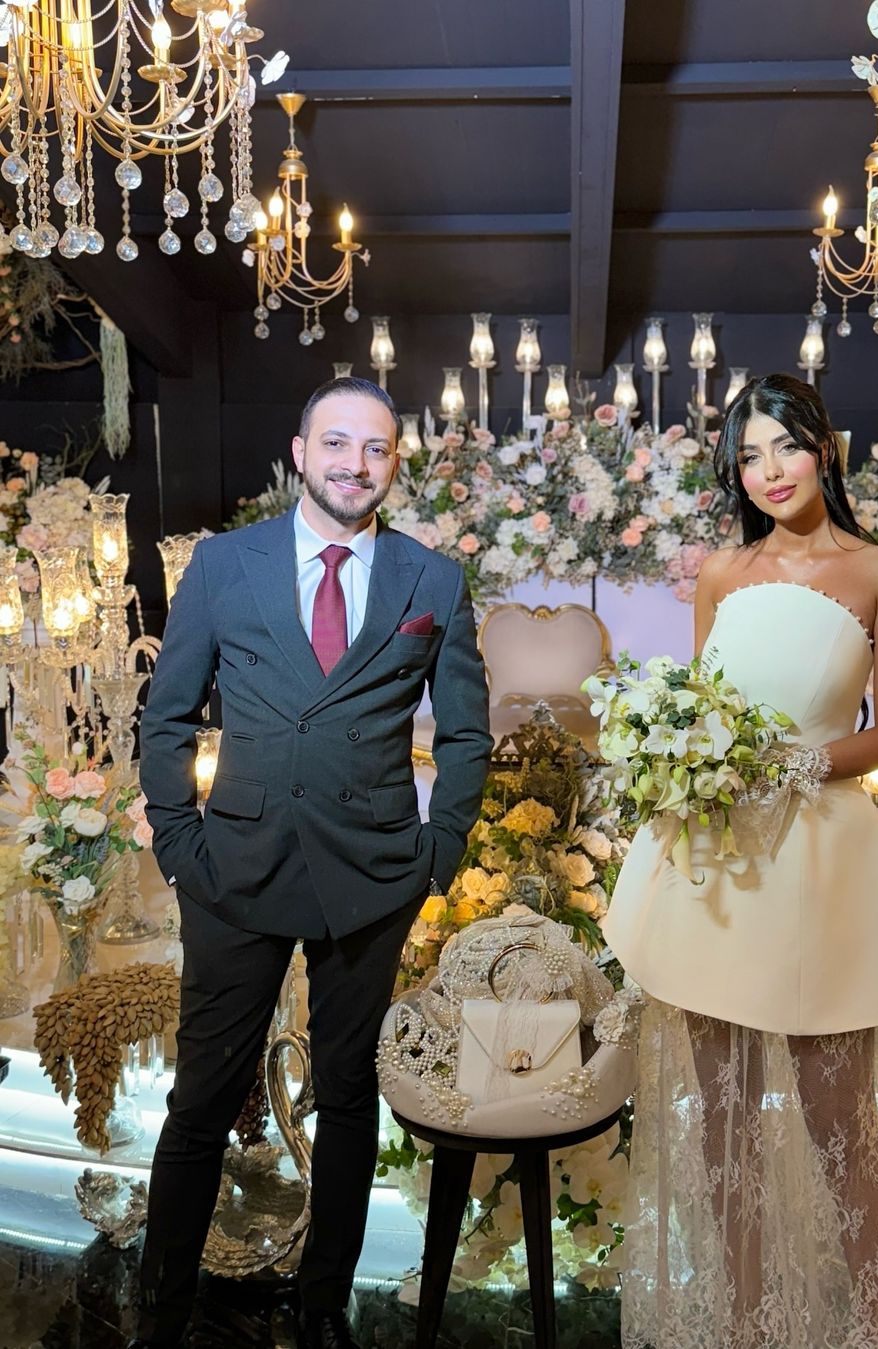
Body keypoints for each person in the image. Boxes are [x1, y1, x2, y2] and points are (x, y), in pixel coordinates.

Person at [132, 376, 493, 1349]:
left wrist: (438, 853)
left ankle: (323, 1305)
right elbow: (167, 714)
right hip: (234, 870)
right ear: (300, 452)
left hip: (371, 875)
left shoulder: (432, 579)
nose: (353, 464)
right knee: (201, 1100)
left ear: (394, 462)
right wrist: (179, 843)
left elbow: (466, 734)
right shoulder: (225, 563)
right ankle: (158, 1311)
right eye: (336, 442)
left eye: (374, 448)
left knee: (348, 1097)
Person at [603, 373, 878, 1349]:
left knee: (839, 1119)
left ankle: (874, 1331)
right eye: (748, 456)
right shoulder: (720, 574)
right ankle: (745, 1323)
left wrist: (796, 764)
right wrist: (678, 759)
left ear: (823, 448)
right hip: (718, 863)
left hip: (822, 859)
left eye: (784, 446)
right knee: (723, 1118)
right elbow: (702, 713)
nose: (769, 470)